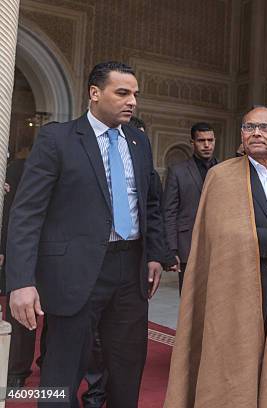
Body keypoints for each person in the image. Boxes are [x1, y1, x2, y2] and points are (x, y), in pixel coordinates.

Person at [6, 61, 166, 407]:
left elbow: (150, 202)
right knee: (61, 375)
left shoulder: (138, 141)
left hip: (130, 273)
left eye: (135, 94)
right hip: (73, 274)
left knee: (126, 370)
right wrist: (20, 281)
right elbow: (27, 212)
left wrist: (154, 254)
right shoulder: (57, 138)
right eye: (122, 93)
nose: (132, 102)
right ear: (94, 94)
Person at [164, 106, 267, 407]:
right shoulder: (221, 176)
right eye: (249, 127)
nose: (257, 133)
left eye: (265, 128)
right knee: (236, 358)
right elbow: (222, 233)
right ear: (242, 135)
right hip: (234, 286)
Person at [163, 122, 218, 293]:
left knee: (217, 301)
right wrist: (172, 249)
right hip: (187, 246)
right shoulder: (177, 171)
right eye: (201, 141)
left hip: (217, 245)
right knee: (189, 300)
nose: (207, 145)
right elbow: (169, 212)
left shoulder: (225, 170)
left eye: (210, 140)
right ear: (192, 142)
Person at [1, 140, 34, 388]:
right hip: (19, 249)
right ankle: (15, 370)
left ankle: (19, 368)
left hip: (44, 252)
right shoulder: (15, 169)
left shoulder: (22, 169)